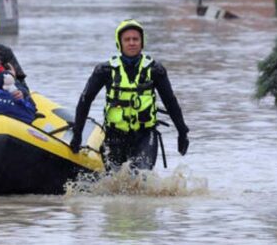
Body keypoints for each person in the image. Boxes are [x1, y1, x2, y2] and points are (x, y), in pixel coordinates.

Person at [69, 19, 190, 170]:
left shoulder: (155, 70)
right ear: (119, 43)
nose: (132, 43)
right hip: (114, 136)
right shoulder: (104, 70)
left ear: (142, 42)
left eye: (136, 39)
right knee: (114, 181)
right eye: (127, 39)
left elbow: (170, 102)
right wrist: (77, 134)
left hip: (145, 135)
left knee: (140, 176)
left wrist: (182, 132)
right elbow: (85, 100)